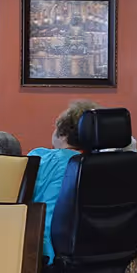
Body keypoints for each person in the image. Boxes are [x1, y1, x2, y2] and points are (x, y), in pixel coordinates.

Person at [30, 99, 97, 259]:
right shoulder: (106, 166)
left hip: (47, 249)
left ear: (63, 133)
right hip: (98, 250)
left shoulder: (41, 159)